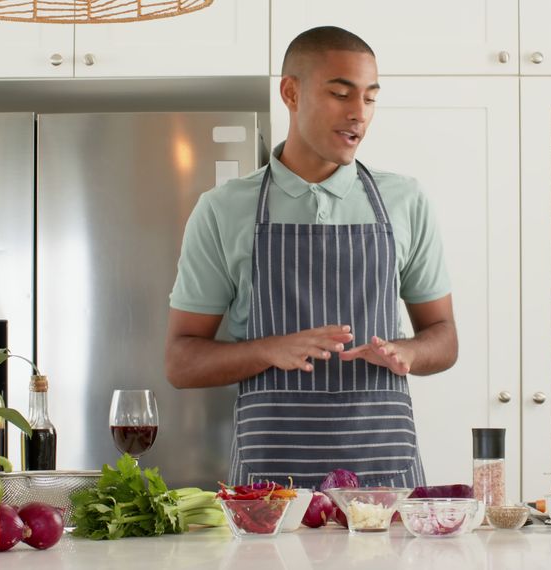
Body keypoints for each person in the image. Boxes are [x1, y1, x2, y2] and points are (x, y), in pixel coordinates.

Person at [165, 26, 457, 488]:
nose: (358, 114)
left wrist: (407, 353)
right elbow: (180, 363)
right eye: (341, 94)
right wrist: (268, 350)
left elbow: (443, 338)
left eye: (370, 98)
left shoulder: (405, 200)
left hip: (384, 481)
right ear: (291, 92)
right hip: (269, 488)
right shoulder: (223, 208)